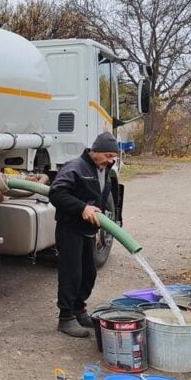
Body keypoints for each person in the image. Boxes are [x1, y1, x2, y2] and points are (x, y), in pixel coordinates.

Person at [48, 131, 120, 338]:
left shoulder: (103, 169)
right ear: (94, 151)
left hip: (88, 230)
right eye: (107, 155)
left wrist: (96, 229)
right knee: (72, 273)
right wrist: (81, 208)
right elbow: (56, 193)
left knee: (89, 273)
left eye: (113, 156)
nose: (111, 159)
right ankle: (66, 318)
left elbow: (98, 198)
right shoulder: (75, 168)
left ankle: (79, 310)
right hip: (69, 228)